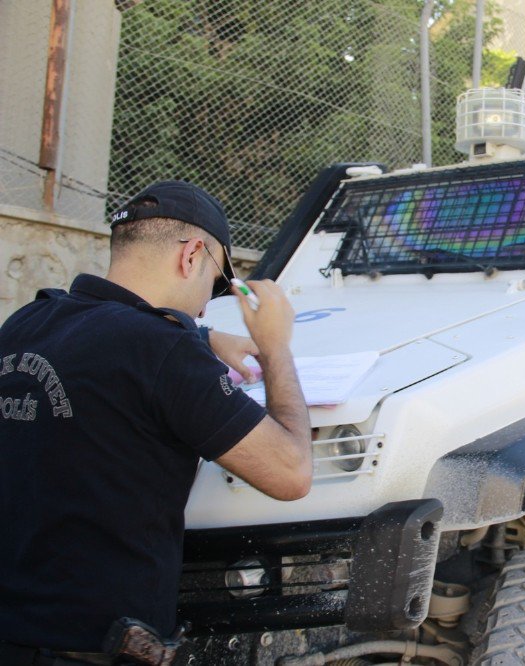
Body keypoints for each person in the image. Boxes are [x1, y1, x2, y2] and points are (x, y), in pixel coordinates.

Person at [0, 180, 312, 664]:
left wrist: (203, 337)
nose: (206, 305)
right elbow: (291, 474)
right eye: (213, 284)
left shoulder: (27, 322)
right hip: (89, 650)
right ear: (191, 256)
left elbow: (111, 341)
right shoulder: (165, 354)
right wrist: (275, 349)